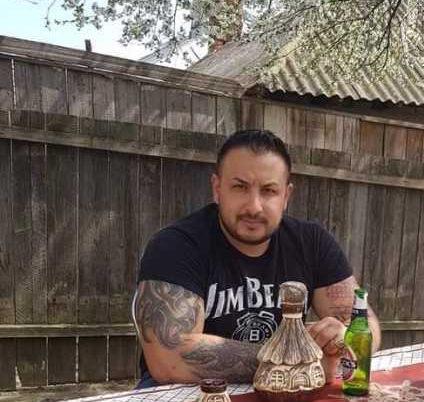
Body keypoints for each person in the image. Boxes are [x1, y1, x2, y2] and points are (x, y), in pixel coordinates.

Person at [134, 128, 381, 388]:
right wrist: (298, 361)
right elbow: (169, 359)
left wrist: (344, 337)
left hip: (285, 392)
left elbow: (368, 327)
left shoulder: (312, 242)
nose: (254, 206)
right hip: (188, 397)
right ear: (217, 189)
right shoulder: (175, 246)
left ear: (286, 196)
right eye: (240, 187)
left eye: (269, 191)